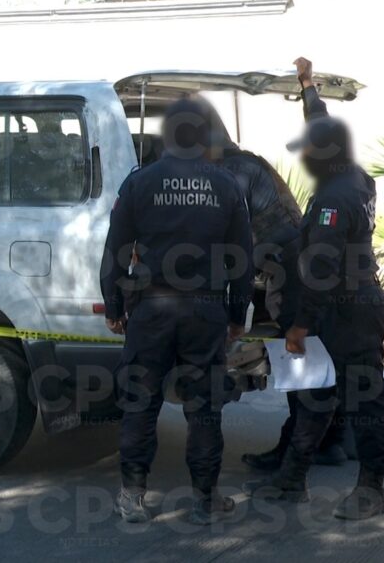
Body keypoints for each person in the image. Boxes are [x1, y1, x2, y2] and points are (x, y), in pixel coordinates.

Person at [244, 57, 384, 520]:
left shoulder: (333, 200)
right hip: (348, 302)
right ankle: (292, 480)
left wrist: (300, 325)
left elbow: (321, 271)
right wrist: (308, 88)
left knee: (362, 396)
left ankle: (371, 488)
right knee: (316, 394)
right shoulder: (353, 175)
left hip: (345, 308)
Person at [102, 97, 254, 525]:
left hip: (150, 308)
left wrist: (113, 304)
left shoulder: (140, 182)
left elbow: (115, 249)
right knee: (204, 406)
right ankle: (205, 499)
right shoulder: (226, 185)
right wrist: (236, 316)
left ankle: (133, 496)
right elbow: (242, 257)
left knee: (140, 402)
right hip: (204, 310)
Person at [199, 100, 350, 471]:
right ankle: (327, 444)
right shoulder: (248, 163)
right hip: (301, 269)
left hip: (291, 275)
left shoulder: (231, 172)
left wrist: (228, 303)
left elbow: (237, 245)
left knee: (301, 371)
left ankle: (293, 454)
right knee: (313, 366)